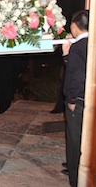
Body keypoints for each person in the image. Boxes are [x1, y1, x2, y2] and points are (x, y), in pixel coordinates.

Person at [62, 10, 89, 187]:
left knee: (74, 140)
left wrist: (72, 99)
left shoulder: (79, 46)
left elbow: (77, 76)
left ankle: (75, 176)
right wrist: (66, 55)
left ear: (74, 25)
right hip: (86, 99)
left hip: (78, 101)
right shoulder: (89, 44)